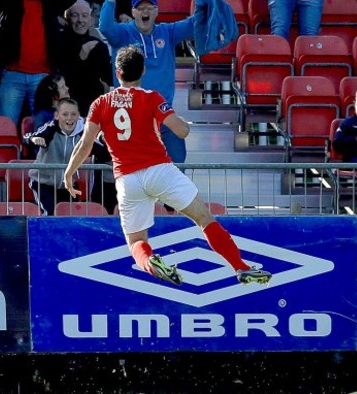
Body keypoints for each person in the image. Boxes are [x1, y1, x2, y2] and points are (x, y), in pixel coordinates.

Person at [63, 45, 272, 286]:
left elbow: (85, 144)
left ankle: (151, 262)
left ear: (117, 73)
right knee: (204, 218)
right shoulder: (152, 97)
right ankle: (240, 267)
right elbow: (181, 131)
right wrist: (178, 119)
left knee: (135, 242)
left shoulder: (100, 103)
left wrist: (69, 172)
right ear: (142, 70)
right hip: (159, 170)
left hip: (127, 180)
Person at [99, 0, 195, 164]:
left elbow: (193, 23)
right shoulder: (123, 33)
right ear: (133, 12)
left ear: (156, 11)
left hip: (163, 114)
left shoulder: (168, 32)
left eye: (149, 8)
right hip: (132, 116)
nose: (145, 11)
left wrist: (206, 4)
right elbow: (106, 27)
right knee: (136, 169)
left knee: (176, 167)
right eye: (140, 8)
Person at [0, 0, 76, 128]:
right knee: (5, 129)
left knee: (45, 129)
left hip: (43, 77)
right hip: (11, 73)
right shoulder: (10, 4)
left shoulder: (50, 4)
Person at [26, 97, 108, 215]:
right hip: (43, 183)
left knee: (72, 216)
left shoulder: (83, 134)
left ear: (78, 115)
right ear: (56, 115)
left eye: (73, 114)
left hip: (68, 185)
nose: (69, 118)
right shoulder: (50, 129)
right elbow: (31, 137)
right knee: (51, 213)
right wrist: (35, 139)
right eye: (65, 114)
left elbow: (102, 152)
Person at [62, 0, 113, 116]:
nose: (80, 20)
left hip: (93, 106)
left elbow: (108, 77)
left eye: (84, 16)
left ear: (91, 20)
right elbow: (64, 78)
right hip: (67, 108)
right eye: (75, 15)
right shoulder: (59, 42)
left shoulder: (98, 45)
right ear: (67, 19)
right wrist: (81, 58)